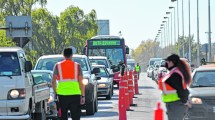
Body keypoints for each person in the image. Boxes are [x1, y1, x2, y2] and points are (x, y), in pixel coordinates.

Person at [52, 47, 85, 120]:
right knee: (76, 117)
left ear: (63, 55)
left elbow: (53, 81)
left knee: (63, 116)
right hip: (75, 95)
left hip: (62, 95)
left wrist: (55, 93)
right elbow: (81, 82)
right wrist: (83, 96)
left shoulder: (58, 66)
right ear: (72, 55)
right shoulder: (77, 66)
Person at [158, 54, 192, 120]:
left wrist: (185, 101)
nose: (166, 64)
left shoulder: (175, 74)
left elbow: (181, 89)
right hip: (173, 104)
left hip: (176, 104)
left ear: (172, 62)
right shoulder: (174, 72)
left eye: (167, 62)